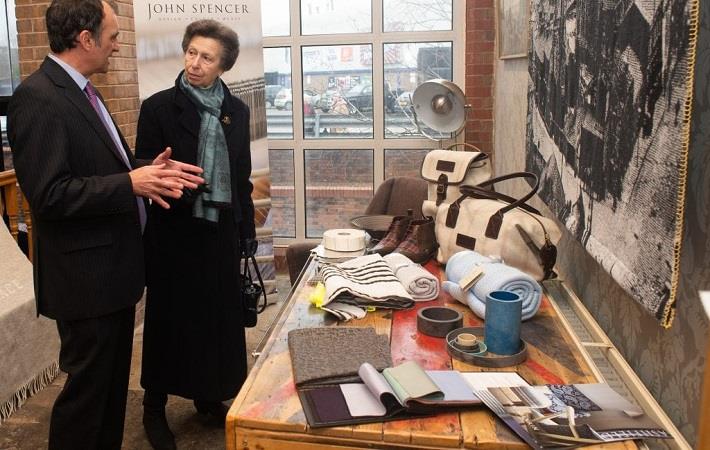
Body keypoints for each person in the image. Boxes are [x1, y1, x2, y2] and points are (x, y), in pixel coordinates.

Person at [6, 1, 204, 449]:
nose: (117, 46)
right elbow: (50, 195)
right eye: (113, 36)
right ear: (85, 39)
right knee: (86, 404)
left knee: (110, 399)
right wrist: (129, 183)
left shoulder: (82, 92)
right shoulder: (38, 98)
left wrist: (145, 170)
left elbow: (98, 167)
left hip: (111, 276)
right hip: (84, 282)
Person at [135, 19, 256, 449]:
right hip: (173, 234)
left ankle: (207, 397)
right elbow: (144, 172)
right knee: (170, 323)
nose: (195, 63)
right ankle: (154, 407)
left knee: (216, 321)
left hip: (220, 232)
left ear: (223, 66)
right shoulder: (157, 108)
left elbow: (240, 175)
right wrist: (166, 176)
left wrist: (245, 231)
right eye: (191, 53)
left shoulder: (236, 111)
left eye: (206, 57)